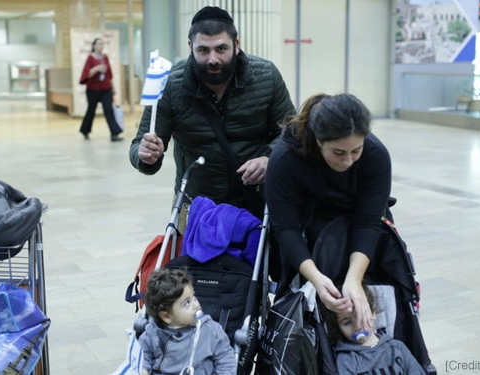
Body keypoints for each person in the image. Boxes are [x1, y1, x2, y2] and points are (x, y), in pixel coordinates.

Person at [129, 6, 294, 222]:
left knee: (261, 255)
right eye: (203, 50)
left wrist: (269, 159)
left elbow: (292, 132)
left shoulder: (266, 76)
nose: (213, 59)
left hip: (256, 201)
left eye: (221, 49)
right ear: (191, 47)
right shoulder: (170, 85)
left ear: (236, 45)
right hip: (195, 205)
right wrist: (146, 155)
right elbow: (139, 145)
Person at [264, 93, 392, 338]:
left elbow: (368, 222)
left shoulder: (376, 155)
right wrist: (316, 279)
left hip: (356, 223)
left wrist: (354, 279)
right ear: (318, 140)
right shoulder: (285, 159)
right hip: (307, 229)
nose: (348, 161)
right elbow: (286, 228)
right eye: (338, 152)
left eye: (356, 151)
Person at [139, 268, 236, 375]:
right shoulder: (154, 332)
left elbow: (225, 359)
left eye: (193, 297)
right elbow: (144, 355)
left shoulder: (211, 330)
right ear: (166, 316)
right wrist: (143, 369)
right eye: (187, 303)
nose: (195, 304)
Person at [325, 282, 426, 375]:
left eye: (362, 316)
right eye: (347, 322)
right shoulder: (347, 358)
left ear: (373, 313)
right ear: (339, 327)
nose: (357, 326)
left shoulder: (396, 347)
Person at [78, 38, 123, 142]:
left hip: (106, 89)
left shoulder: (105, 57)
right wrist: (97, 68)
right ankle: (85, 131)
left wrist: (113, 88)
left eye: (102, 44)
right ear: (94, 46)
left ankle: (114, 133)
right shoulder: (90, 58)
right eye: (98, 44)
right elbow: (86, 74)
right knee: (91, 110)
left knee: (109, 110)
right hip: (93, 89)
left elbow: (109, 74)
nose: (100, 46)